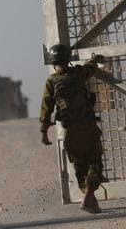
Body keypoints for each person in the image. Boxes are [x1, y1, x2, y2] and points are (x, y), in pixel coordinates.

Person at [39, 44, 105, 214]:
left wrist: (44, 131)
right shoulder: (78, 74)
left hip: (71, 134)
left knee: (80, 167)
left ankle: (91, 201)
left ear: (53, 63)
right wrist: (95, 59)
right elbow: (90, 68)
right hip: (88, 129)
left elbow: (46, 108)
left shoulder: (51, 82)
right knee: (94, 164)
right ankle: (89, 196)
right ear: (68, 59)